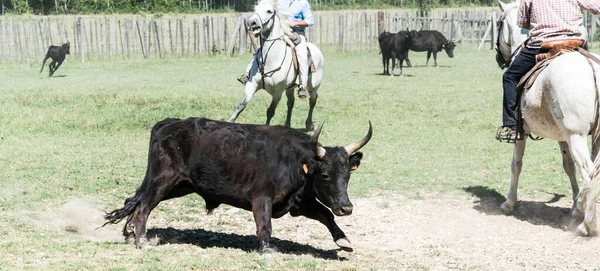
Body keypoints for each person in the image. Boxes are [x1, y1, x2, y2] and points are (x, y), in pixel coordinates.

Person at [496, 0, 600, 142]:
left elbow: (522, 23)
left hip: (542, 45)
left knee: (509, 77)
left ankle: (512, 126)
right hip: (574, 43)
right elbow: (596, 7)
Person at [237, 0, 314, 99]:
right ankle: (248, 74)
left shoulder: (303, 3)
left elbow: (310, 20)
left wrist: (295, 23)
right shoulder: (279, 1)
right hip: (280, 31)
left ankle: (303, 86)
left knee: (302, 55)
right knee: (262, 50)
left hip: (297, 34)